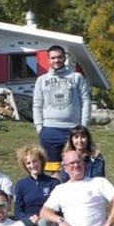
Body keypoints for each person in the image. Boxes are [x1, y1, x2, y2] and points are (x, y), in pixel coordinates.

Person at [33, 45, 92, 175]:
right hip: (49, 130)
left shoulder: (76, 77)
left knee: (75, 168)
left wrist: (84, 126)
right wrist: (40, 128)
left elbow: (86, 101)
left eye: (59, 57)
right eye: (53, 58)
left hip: (72, 130)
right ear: (48, 60)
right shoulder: (41, 80)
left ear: (64, 58)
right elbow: (37, 105)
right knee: (54, 172)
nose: (56, 60)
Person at [13, 146, 59, 226]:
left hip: (48, 220)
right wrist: (29, 218)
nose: (32, 165)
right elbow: (18, 212)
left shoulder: (53, 183)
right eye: (28, 163)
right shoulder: (21, 185)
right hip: (30, 220)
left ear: (41, 161)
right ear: (25, 165)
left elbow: (58, 208)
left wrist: (44, 217)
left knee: (46, 225)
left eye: (35, 161)